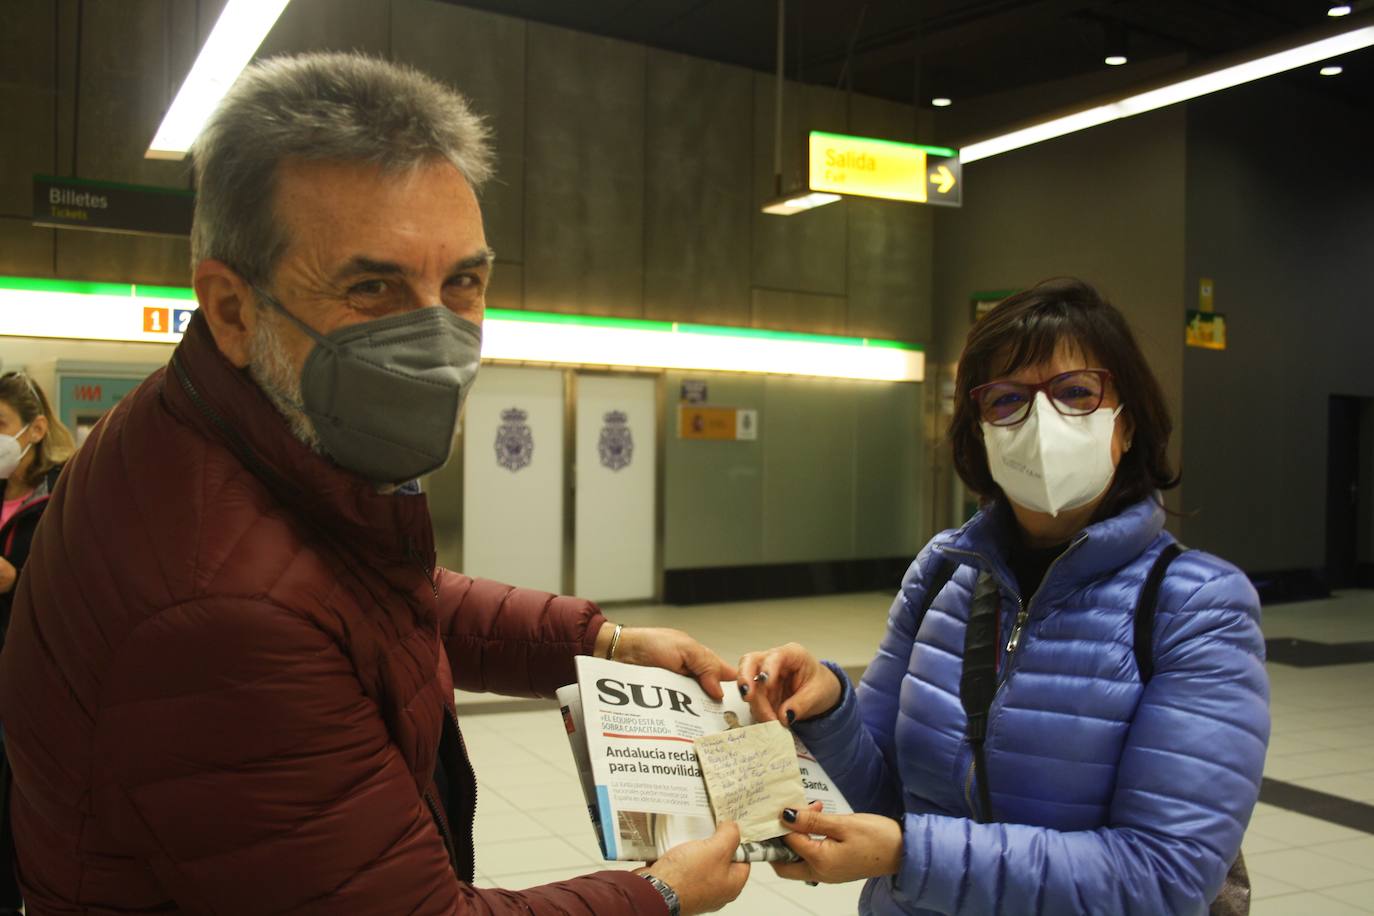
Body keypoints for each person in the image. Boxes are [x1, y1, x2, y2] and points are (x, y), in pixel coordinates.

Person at [0, 53, 746, 916]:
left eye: (462, 282)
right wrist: (656, 894)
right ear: (234, 308)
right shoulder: (217, 615)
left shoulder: (211, 425)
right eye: (372, 286)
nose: (435, 337)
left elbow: (373, 599)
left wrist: (601, 643)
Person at [736, 278, 1269, 914]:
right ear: (981, 434)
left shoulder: (1196, 605)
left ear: (1128, 424)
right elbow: (880, 798)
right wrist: (828, 708)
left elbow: (1164, 874)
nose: (1041, 423)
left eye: (1075, 393)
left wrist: (912, 855)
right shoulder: (942, 575)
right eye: (1008, 400)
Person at [0, 372, 74, 656]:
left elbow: (80, 591)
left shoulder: (63, 498)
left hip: (34, 660)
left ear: (37, 429)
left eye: (1, 424)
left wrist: (16, 581)